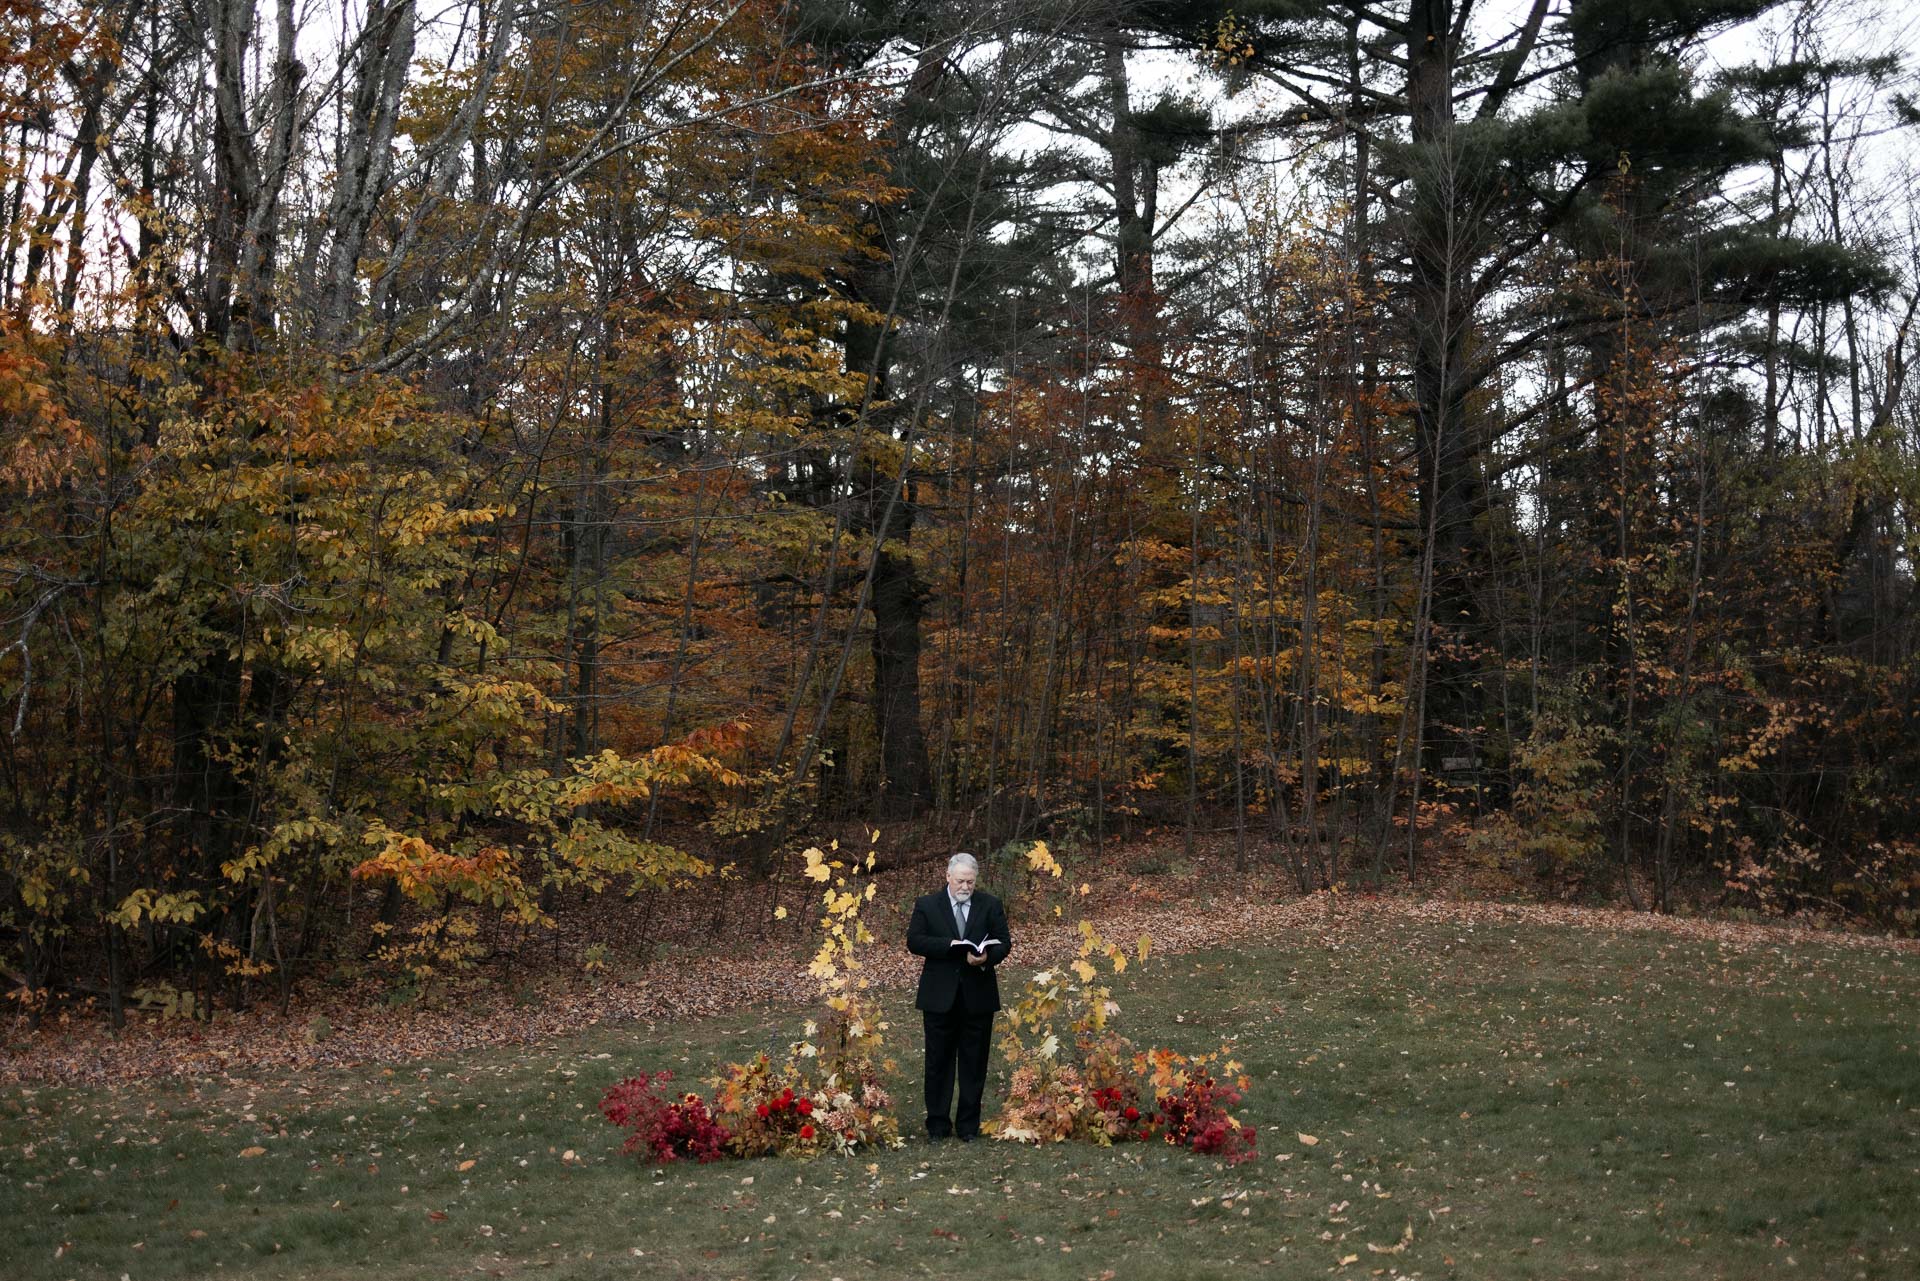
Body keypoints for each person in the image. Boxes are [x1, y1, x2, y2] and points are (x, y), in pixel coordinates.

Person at [906, 852, 1012, 1142]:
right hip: (939, 995)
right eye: (961, 881)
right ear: (948, 877)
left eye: (971, 882)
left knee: (974, 1062)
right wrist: (950, 946)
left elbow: (1005, 941)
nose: (966, 887)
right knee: (938, 1062)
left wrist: (988, 956)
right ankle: (937, 1124)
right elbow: (914, 940)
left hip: (978, 995)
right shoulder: (927, 905)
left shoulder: (990, 904)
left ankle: (968, 1125)